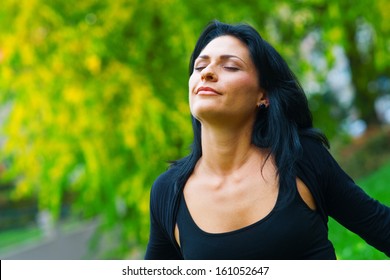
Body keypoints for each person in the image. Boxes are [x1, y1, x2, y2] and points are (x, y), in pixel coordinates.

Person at [144, 20, 390, 260]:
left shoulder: (300, 158)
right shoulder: (168, 192)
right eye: (199, 67)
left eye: (230, 66)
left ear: (263, 95)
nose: (207, 73)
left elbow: (381, 227)